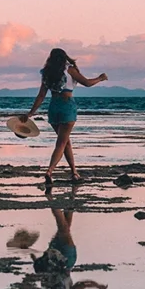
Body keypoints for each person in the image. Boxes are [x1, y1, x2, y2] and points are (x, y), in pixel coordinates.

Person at [20, 48, 108, 187]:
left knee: (65, 141)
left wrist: (30, 113)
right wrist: (100, 78)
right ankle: (50, 171)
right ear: (65, 57)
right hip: (67, 106)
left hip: (54, 107)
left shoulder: (47, 73)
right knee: (61, 143)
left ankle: (74, 172)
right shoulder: (70, 70)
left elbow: (41, 95)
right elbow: (87, 83)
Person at [31, 187, 108, 289]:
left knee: (64, 229)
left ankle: (52, 198)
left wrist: (97, 285)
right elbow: (44, 270)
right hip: (54, 255)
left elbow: (81, 285)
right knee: (65, 229)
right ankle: (72, 194)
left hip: (67, 259)